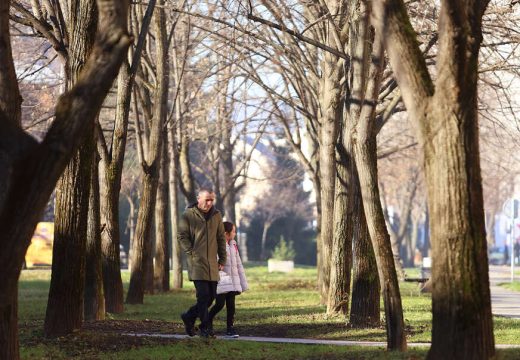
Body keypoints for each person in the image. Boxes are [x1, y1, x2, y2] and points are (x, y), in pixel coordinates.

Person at [178, 189, 227, 338]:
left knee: (211, 297)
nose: (209, 203)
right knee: (203, 296)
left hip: (212, 263)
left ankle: (189, 316)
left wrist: (222, 259)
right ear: (199, 199)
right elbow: (182, 236)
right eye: (207, 200)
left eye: (212, 200)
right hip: (197, 263)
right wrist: (192, 252)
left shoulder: (217, 215)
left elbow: (220, 238)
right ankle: (205, 329)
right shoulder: (188, 215)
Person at [208, 221, 248, 338]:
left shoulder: (233, 245)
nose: (235, 234)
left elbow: (238, 264)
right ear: (226, 233)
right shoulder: (217, 245)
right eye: (233, 231)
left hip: (233, 281)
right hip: (222, 280)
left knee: (231, 305)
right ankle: (207, 322)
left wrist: (241, 281)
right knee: (220, 304)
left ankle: (230, 328)